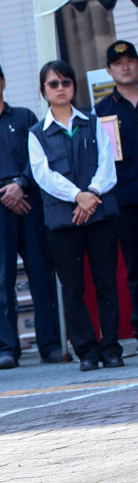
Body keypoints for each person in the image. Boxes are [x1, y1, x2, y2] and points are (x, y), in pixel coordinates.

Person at [0, 59, 61, 369]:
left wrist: (20, 184)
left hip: (29, 203)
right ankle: (7, 348)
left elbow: (37, 158)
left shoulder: (25, 117)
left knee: (41, 275)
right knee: (0, 280)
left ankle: (50, 344)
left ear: (3, 83)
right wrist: (2, 193)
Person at [28, 60, 124, 371]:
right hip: (63, 222)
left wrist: (91, 196)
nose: (60, 89)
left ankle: (110, 348)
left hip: (99, 216)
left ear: (74, 86)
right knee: (72, 289)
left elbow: (107, 166)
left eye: (65, 83)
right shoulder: (36, 134)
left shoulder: (93, 122)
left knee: (106, 283)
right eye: (53, 84)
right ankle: (87, 351)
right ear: (44, 90)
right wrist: (78, 196)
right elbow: (43, 175)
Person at [94, 40, 138, 342]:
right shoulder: (102, 113)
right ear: (109, 70)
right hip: (128, 201)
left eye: (130, 60)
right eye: (118, 62)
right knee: (136, 271)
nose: (125, 66)